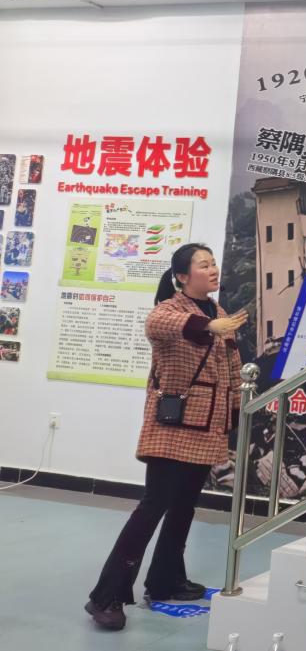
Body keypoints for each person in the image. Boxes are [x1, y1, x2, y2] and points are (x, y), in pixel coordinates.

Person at [85, 244, 248, 631]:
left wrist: (234, 418)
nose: (213, 269)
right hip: (171, 428)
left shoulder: (218, 312)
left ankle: (165, 580)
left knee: (184, 507)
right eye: (204, 265)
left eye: (213, 263)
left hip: (207, 428)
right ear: (182, 276)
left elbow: (232, 371)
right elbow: (157, 324)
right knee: (153, 507)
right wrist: (208, 327)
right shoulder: (171, 309)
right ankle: (105, 596)